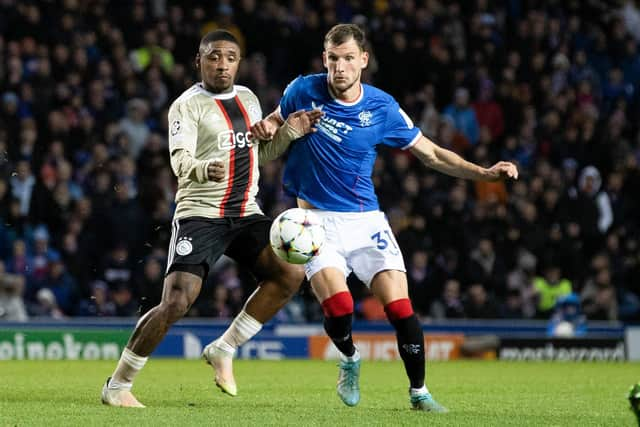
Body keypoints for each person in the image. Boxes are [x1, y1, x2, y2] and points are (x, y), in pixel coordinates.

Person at [250, 24, 518, 412]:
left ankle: (419, 392)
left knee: (400, 309)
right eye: (332, 59)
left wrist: (483, 173)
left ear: (363, 60)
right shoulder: (302, 90)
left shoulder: (382, 107)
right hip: (314, 224)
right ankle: (349, 358)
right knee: (339, 307)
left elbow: (432, 154)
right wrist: (271, 126)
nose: (338, 68)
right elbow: (276, 120)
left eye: (346, 59)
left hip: (366, 221)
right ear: (324, 59)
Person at [101, 30, 322, 407]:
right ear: (198, 60)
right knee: (176, 302)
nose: (222, 64)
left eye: (230, 57)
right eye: (214, 56)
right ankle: (118, 385)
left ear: (239, 62)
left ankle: (224, 347)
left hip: (245, 212)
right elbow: (179, 160)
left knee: (290, 273)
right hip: (200, 214)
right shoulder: (186, 105)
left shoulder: (249, 99)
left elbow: (258, 155)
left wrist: (290, 132)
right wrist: (205, 170)